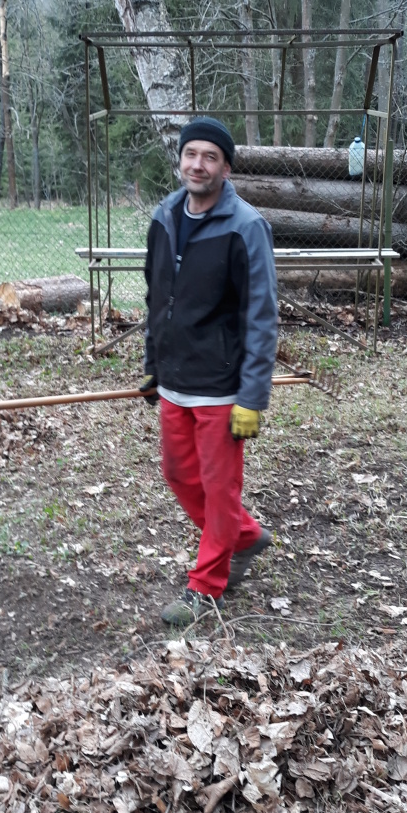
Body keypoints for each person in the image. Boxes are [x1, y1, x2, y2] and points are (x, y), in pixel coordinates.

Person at [139, 117, 279, 625]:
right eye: (190, 154)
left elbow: (261, 316)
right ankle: (246, 536)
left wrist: (252, 397)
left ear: (225, 167)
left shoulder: (246, 227)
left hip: (222, 389)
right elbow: (157, 298)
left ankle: (206, 586)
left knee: (219, 492)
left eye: (210, 157)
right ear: (180, 160)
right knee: (178, 475)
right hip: (175, 381)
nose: (198, 165)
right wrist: (153, 363)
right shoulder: (164, 217)